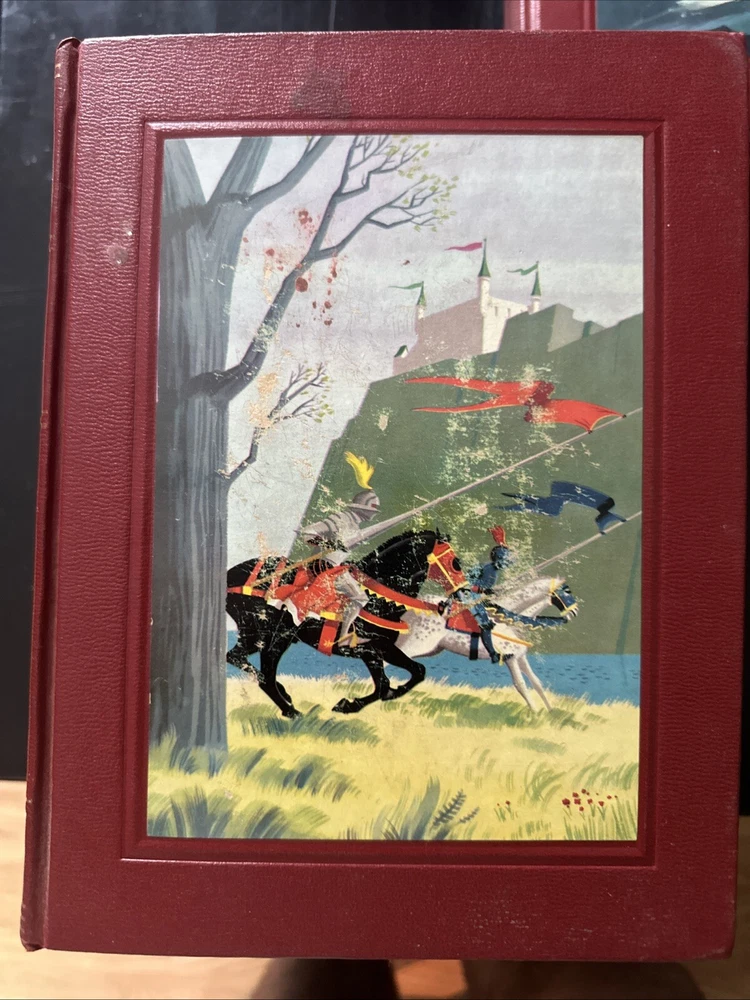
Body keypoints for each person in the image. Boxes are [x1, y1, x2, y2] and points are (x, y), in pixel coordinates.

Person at [289, 453, 380, 646]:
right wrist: (327, 544)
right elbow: (307, 532)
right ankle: (343, 638)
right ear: (362, 508)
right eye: (372, 510)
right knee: (359, 597)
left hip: (335, 567)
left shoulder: (355, 526)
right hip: (324, 566)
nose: (373, 514)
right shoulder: (340, 519)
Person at [446, 526, 514, 664]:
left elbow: (512, 559)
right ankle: (494, 655)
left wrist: (502, 543)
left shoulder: (493, 569)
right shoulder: (487, 568)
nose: (507, 562)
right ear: (499, 558)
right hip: (469, 596)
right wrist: (482, 591)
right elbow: (466, 583)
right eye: (505, 559)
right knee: (485, 624)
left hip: (477, 596)